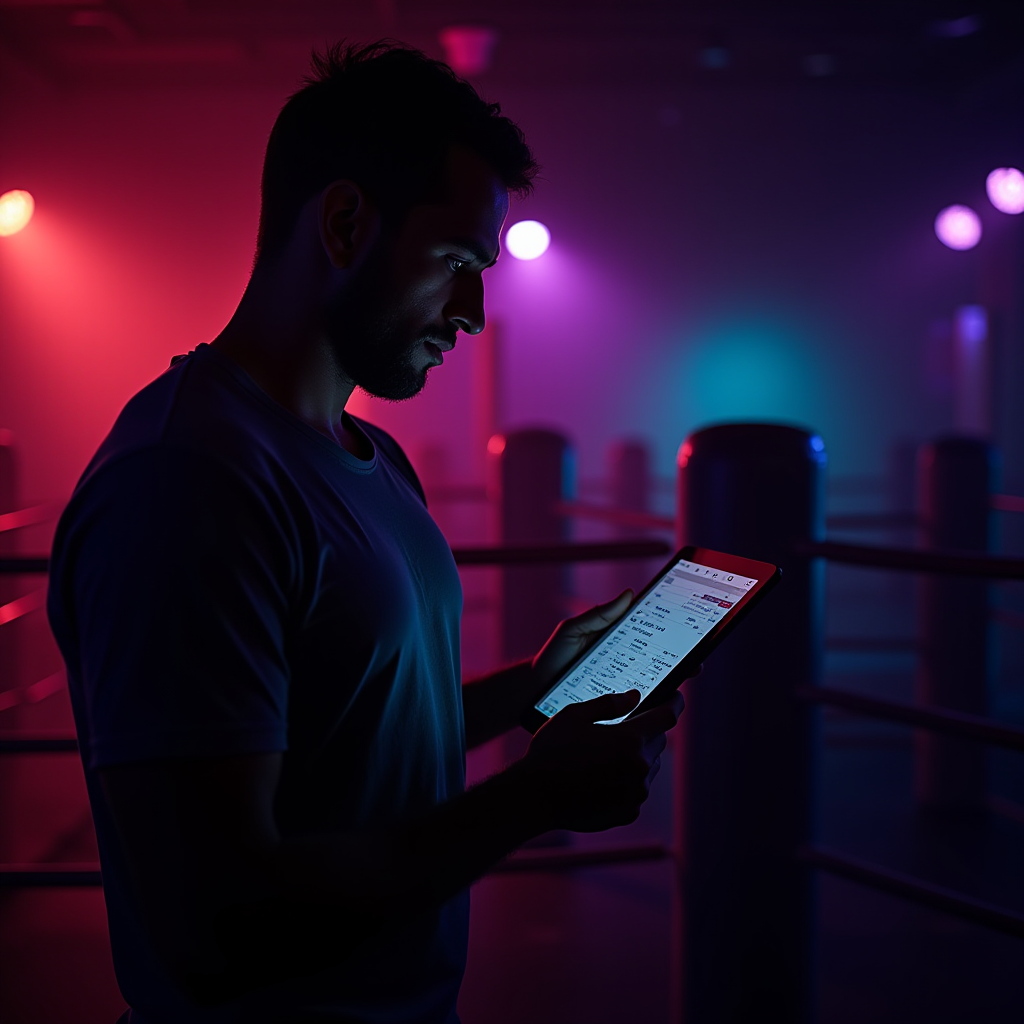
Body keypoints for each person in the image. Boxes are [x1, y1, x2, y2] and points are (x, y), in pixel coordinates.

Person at [46, 41, 686, 1024]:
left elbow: (350, 730)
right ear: (345, 222)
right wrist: (532, 799)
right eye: (453, 262)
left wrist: (537, 686)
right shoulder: (184, 485)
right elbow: (215, 928)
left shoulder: (369, 459)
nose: (473, 310)